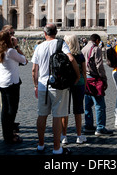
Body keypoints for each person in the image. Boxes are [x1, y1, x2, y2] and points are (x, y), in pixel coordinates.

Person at [31, 23, 80, 155]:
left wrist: (36, 85)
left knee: (42, 115)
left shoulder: (39, 47)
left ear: (44, 33)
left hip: (42, 85)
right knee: (57, 116)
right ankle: (57, 147)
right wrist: (78, 75)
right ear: (56, 33)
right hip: (58, 84)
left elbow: (34, 69)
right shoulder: (60, 43)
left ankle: (40, 145)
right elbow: (70, 58)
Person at [0, 30, 27, 145]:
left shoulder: (0, 50)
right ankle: (10, 135)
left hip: (1, 82)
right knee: (12, 109)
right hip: (11, 83)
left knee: (5, 110)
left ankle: (7, 134)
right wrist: (17, 46)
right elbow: (24, 60)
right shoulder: (11, 51)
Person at [81, 34, 113, 136]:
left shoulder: (84, 48)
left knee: (88, 104)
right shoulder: (96, 49)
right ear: (98, 40)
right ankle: (100, 127)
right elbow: (99, 65)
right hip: (95, 79)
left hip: (86, 79)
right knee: (100, 105)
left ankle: (88, 126)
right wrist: (104, 78)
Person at [61, 34, 87, 144]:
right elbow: (84, 72)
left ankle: (64, 136)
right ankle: (79, 135)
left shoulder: (63, 55)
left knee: (64, 111)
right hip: (79, 84)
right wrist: (84, 84)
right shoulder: (80, 56)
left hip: (66, 84)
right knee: (78, 111)